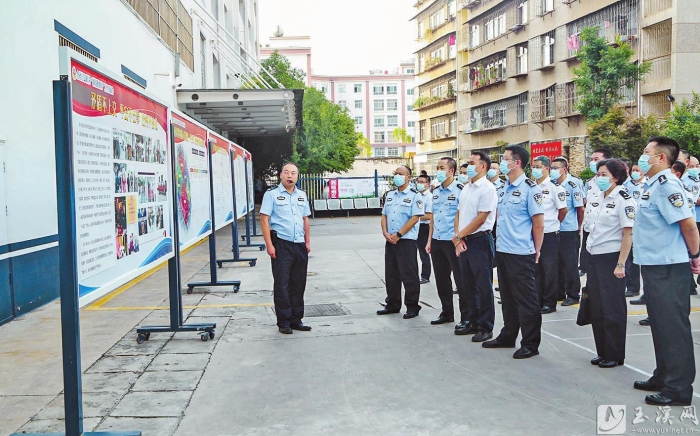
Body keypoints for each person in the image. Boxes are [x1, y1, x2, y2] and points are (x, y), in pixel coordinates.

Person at [632, 136, 700, 407]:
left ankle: (678, 389)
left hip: (669, 266)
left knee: (673, 328)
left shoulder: (667, 184)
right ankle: (663, 375)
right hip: (654, 264)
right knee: (660, 325)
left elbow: (688, 225)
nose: (642, 155)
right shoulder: (651, 184)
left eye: (646, 151)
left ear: (661, 158)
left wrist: (695, 256)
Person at [482, 145, 544, 359]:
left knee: (526, 299)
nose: (501, 162)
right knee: (507, 298)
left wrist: (536, 251)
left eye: (505, 158)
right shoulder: (503, 187)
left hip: (521, 251)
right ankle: (508, 335)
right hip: (503, 250)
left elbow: (538, 224)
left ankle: (530, 343)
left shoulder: (530, 188)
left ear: (517, 163)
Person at [584, 159, 636, 368]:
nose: (599, 178)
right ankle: (602, 350)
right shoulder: (597, 195)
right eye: (598, 174)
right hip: (593, 255)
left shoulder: (624, 199)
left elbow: (628, 234)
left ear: (616, 177)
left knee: (612, 307)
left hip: (612, 257)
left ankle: (615, 354)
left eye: (604, 174)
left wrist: (621, 263)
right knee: (596, 305)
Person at [260, 163, 312, 335]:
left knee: (298, 283)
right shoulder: (272, 195)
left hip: (299, 244)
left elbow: (305, 219)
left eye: (294, 173)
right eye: (287, 172)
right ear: (281, 175)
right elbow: (264, 220)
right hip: (281, 243)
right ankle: (284, 321)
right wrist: (269, 245)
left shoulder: (302, 195)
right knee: (282, 283)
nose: (290, 176)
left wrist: (307, 242)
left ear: (298, 176)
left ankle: (297, 319)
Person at [453, 152, 498, 342]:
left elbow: (481, 218)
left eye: (472, 163)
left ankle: (485, 326)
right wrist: (457, 238)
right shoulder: (466, 188)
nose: (468, 166)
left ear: (483, 167)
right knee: (467, 284)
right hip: (464, 240)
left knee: (483, 285)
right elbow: (459, 214)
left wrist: (459, 235)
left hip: (480, 240)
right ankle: (472, 320)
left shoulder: (487, 189)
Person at [378, 165, 425, 318]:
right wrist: (385, 232)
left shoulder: (415, 195)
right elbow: (384, 214)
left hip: (406, 240)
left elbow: (415, 217)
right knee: (391, 274)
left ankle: (412, 306)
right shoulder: (390, 194)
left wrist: (399, 234)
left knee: (409, 274)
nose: (397, 176)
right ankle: (392, 304)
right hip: (390, 240)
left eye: (401, 174)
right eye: (396, 173)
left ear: (408, 177)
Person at [426, 157, 465, 326]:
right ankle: (447, 312)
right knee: (442, 279)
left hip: (452, 240)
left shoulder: (460, 190)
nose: (438, 171)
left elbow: (463, 217)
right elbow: (433, 218)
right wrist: (429, 240)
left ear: (451, 171)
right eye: (437, 168)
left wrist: (459, 238)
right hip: (437, 239)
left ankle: (466, 316)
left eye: (442, 168)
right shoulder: (436, 191)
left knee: (460, 280)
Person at [531, 156, 567, 314]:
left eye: (538, 167)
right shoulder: (531, 186)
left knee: (550, 269)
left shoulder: (555, 187)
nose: (535, 169)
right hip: (533, 234)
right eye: (533, 166)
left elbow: (563, 210)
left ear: (546, 168)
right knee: (536, 268)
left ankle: (549, 302)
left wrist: (553, 223)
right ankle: (537, 299)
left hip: (550, 233)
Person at [552, 157, 585, 306]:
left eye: (555, 168)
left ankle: (573, 294)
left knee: (570, 264)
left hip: (569, 229)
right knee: (556, 263)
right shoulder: (552, 185)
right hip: (555, 230)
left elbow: (580, 209)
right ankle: (559, 292)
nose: (553, 170)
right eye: (551, 168)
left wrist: (578, 226)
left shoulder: (572, 185)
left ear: (564, 169)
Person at [581, 148, 613, 276]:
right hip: (589, 227)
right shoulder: (590, 182)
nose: (593, 162)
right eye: (591, 159)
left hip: (606, 232)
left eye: (596, 159)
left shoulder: (613, 182)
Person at [624, 163, 646, 300]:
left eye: (638, 170)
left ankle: (646, 292)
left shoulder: (648, 184)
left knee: (641, 259)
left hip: (642, 226)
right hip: (630, 224)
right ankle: (632, 287)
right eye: (634, 170)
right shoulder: (629, 185)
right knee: (630, 258)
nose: (635, 172)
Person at [415, 174, 434, 284]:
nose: (419, 184)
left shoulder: (429, 197)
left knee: (424, 252)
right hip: (416, 226)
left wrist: (414, 216)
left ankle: (425, 275)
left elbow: (429, 215)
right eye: (418, 181)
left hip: (424, 227)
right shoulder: (417, 195)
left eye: (422, 182)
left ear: (428, 184)